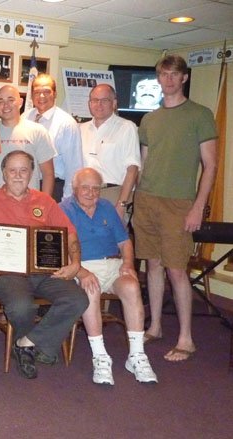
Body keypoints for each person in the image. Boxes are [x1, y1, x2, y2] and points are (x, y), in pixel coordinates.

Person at [0, 150, 88, 379]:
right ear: (3, 173)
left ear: (32, 173)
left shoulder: (45, 201)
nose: (17, 175)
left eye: (23, 170)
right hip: (7, 274)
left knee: (78, 298)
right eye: (12, 170)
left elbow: (70, 235)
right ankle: (40, 345)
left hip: (44, 272)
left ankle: (26, 343)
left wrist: (75, 263)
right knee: (22, 306)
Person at [135, 55, 217, 362]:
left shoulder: (200, 114)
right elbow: (144, 164)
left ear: (183, 78)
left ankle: (186, 338)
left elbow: (210, 166)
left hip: (179, 203)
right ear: (158, 78)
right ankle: (155, 325)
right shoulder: (150, 119)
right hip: (147, 200)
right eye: (163, 74)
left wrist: (198, 207)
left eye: (174, 74)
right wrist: (134, 199)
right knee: (152, 265)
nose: (168, 79)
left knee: (176, 269)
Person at [60, 168, 157, 385]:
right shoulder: (63, 209)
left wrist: (128, 264)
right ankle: (100, 356)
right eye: (85, 187)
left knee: (132, 287)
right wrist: (81, 272)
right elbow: (60, 247)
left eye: (96, 188)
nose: (91, 193)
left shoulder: (106, 208)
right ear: (75, 189)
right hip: (82, 266)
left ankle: (137, 355)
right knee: (91, 289)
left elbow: (124, 241)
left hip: (112, 264)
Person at [79, 84, 141, 221]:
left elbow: (133, 169)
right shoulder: (80, 129)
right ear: (89, 104)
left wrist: (121, 205)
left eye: (104, 100)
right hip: (84, 196)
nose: (98, 104)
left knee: (111, 241)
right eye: (94, 100)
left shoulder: (127, 128)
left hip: (113, 194)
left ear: (114, 103)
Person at [23, 74, 83, 202]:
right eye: (37, 92)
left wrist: (67, 201)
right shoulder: (25, 117)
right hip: (26, 186)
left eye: (46, 91)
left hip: (55, 189)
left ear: (55, 94)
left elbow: (74, 167)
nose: (42, 96)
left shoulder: (66, 123)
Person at [0, 85, 56, 196]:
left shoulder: (37, 131)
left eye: (11, 100)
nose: (6, 105)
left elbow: (48, 174)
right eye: (1, 102)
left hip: (29, 202)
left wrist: (44, 205)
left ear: (20, 102)